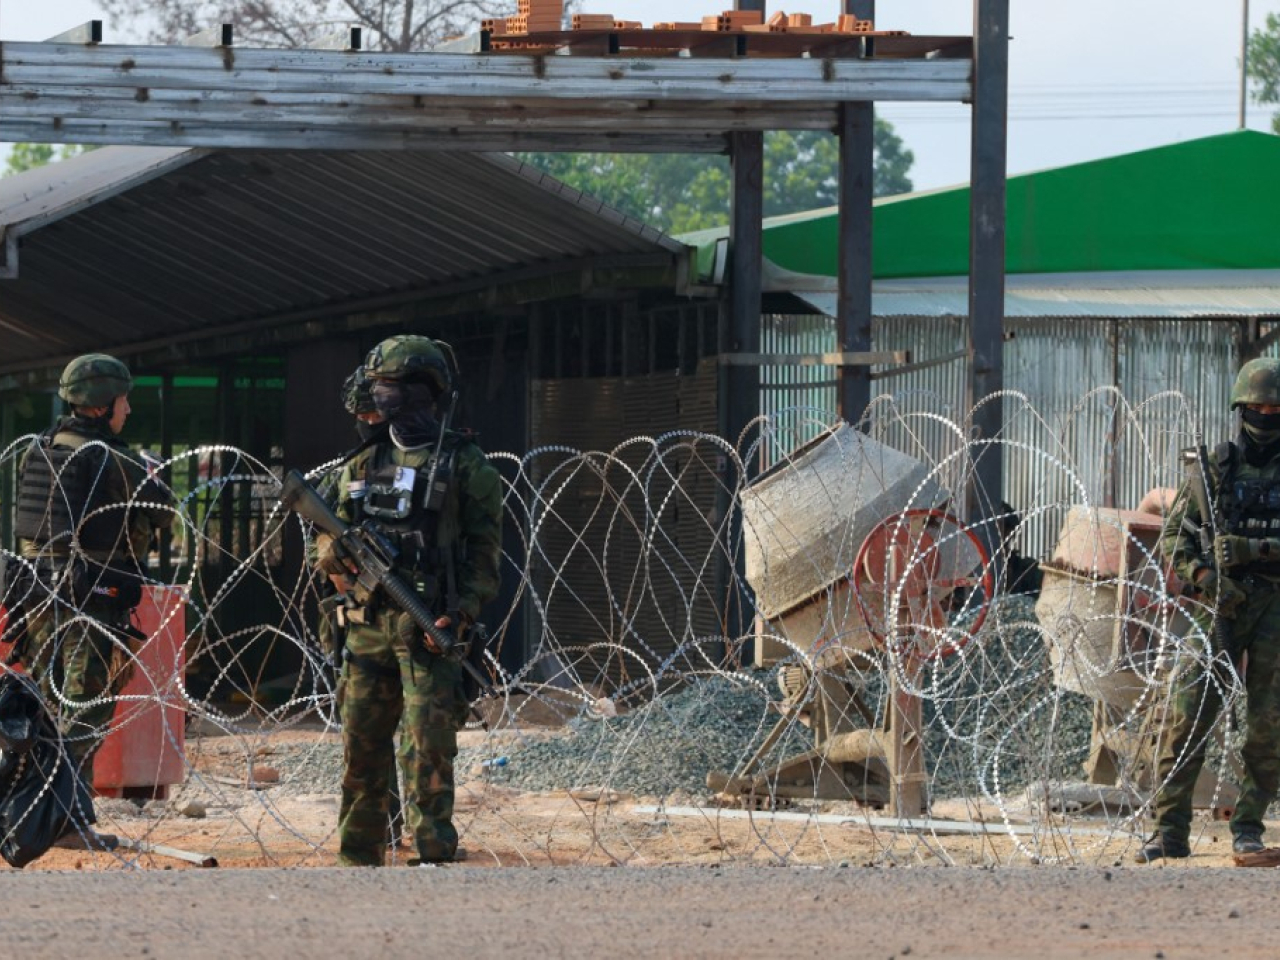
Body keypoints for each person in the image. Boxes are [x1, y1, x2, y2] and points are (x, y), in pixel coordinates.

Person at [316, 335, 502, 867]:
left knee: (427, 750)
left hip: (428, 627)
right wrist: (336, 557)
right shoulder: (360, 463)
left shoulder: (466, 467)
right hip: (366, 625)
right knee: (361, 754)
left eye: (390, 386)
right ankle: (358, 855)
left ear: (423, 390)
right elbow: (321, 537)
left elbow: (486, 559)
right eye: (379, 386)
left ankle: (433, 853)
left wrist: (460, 611)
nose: (380, 395)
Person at [12, 354, 173, 829]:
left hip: (42, 595)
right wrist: (153, 474)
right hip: (92, 599)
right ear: (105, 404)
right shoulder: (116, 459)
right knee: (86, 713)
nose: (128, 410)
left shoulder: (38, 450)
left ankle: (48, 813)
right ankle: (58, 821)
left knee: (50, 706)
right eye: (124, 400)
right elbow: (164, 513)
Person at [1137, 357, 1280, 863]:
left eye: (1275, 407)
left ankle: (1247, 828)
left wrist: (1250, 552)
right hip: (1218, 605)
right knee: (1188, 716)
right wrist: (1204, 576)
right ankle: (1168, 830)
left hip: (1274, 607)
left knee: (1268, 727)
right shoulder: (1215, 470)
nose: (1266, 414)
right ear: (1241, 408)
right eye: (1258, 406)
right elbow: (1176, 533)